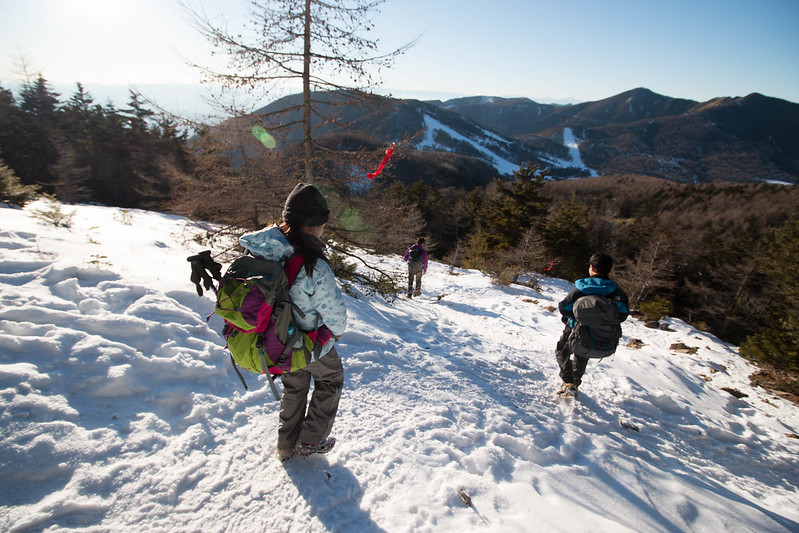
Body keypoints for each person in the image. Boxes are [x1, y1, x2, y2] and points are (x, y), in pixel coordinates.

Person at [238, 182, 347, 461]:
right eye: (322, 223)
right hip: (308, 340)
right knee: (331, 378)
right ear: (313, 225)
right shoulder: (313, 264)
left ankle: (286, 444)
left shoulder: (264, 250)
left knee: (295, 385)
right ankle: (311, 441)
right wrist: (335, 334)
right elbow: (335, 315)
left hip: (277, 338)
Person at [555, 252, 629, 397]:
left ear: (591, 268)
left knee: (562, 350)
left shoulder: (581, 290)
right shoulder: (618, 294)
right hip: (600, 337)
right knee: (582, 354)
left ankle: (568, 381)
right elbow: (622, 315)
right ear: (609, 270)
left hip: (575, 331)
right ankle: (575, 383)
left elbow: (564, 308)